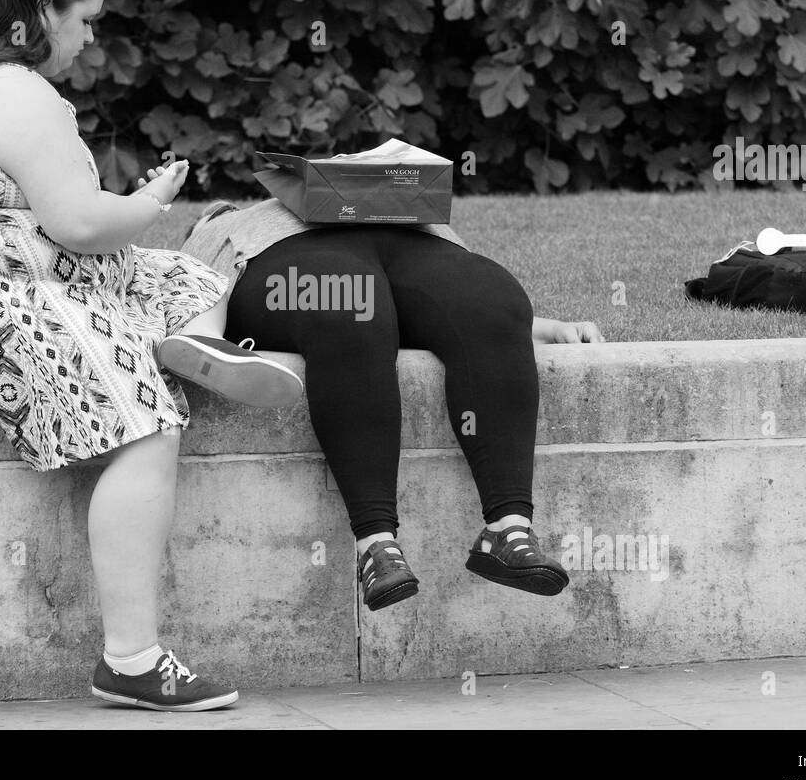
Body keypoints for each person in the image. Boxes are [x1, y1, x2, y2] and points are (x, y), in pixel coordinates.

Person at [0, 0, 302, 712]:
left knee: (182, 279)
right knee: (147, 424)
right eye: (86, 21)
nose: (91, 40)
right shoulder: (21, 94)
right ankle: (130, 660)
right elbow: (86, 227)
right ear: (40, 16)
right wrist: (153, 198)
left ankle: (188, 339)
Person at [178, 195, 604, 610]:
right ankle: (376, 545)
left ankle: (508, 532)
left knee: (492, 301)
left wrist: (531, 326)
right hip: (296, 261)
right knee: (350, 305)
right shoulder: (232, 231)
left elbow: (432, 307)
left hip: (408, 237)